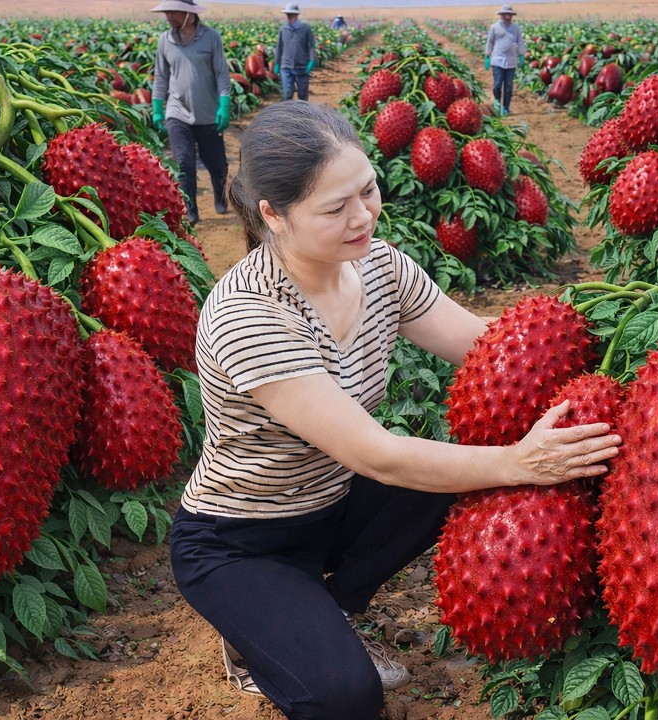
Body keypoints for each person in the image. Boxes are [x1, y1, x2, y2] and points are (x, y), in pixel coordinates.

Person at [168, 101, 621, 720]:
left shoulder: (378, 266)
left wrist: (610, 328)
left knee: (462, 462)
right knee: (348, 700)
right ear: (273, 215)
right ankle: (255, 640)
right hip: (241, 541)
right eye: (335, 209)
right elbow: (377, 454)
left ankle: (335, 606)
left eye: (367, 190)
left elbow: (489, 346)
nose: (363, 217)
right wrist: (523, 462)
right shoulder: (250, 315)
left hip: (334, 506)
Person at [150, 0, 231, 223]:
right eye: (166, 12)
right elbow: (161, 77)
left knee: (216, 163)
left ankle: (221, 197)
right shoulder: (165, 40)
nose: (168, 16)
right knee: (183, 161)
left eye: (173, 11)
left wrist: (224, 104)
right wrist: (157, 108)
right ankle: (190, 209)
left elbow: (221, 74)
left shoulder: (211, 37)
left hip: (208, 113)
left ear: (189, 14)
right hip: (177, 112)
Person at [484, 4, 525, 116]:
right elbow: (490, 42)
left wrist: (521, 55)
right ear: (501, 15)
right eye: (505, 14)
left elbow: (520, 42)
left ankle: (506, 107)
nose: (508, 16)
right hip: (497, 60)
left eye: (509, 15)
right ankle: (497, 101)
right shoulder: (495, 27)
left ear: (512, 16)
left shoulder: (515, 28)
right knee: (497, 84)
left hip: (511, 61)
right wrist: (487, 55)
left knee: (508, 86)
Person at [275, 3, 317, 101]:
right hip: (286, 67)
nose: (289, 16)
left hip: (302, 67)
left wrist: (312, 60)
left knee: (302, 95)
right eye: (287, 14)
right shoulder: (283, 29)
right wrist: (277, 62)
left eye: (291, 14)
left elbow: (311, 46)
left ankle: (301, 114)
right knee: (287, 94)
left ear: (297, 15)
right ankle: (288, 115)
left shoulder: (305, 28)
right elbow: (279, 47)